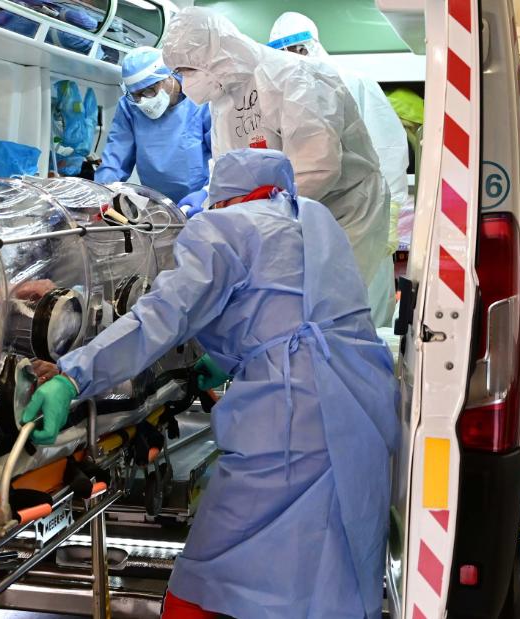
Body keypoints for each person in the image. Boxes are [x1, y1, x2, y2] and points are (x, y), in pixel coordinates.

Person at [23, 149, 400, 618]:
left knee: (212, 575)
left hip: (294, 421)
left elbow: (160, 317)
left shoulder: (223, 227)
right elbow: (291, 309)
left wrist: (73, 375)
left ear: (220, 198)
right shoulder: (314, 218)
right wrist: (226, 361)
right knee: (329, 566)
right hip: (363, 402)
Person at [161, 7, 394, 326]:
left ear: (213, 56)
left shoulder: (292, 76)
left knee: (335, 318)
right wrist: (210, 202)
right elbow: (230, 166)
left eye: (187, 70)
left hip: (343, 215)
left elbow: (317, 168)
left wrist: (251, 214)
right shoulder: (224, 97)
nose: (185, 82)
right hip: (286, 219)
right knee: (290, 317)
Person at [268, 11, 410, 327]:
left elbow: (389, 147)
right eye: (282, 53)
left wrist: (391, 211)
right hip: (312, 219)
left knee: (367, 305)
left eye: (298, 49)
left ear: (313, 46)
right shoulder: (278, 96)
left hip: (364, 214)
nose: (293, 59)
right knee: (323, 313)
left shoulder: (355, 83)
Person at [94, 46, 212, 205]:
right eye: (135, 95)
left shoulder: (200, 100)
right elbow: (115, 156)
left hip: (199, 201)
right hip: (156, 203)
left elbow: (223, 159)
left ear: (168, 76)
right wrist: (102, 192)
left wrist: (208, 193)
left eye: (148, 91)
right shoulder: (130, 107)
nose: (143, 102)